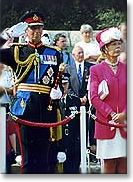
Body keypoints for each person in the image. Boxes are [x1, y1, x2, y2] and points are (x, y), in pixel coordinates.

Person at [0, 10, 63, 174]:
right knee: (27, 158)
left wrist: (58, 92)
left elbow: (58, 81)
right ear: (25, 31)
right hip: (24, 107)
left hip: (46, 107)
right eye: (32, 28)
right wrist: (6, 35)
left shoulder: (54, 52)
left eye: (39, 28)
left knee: (44, 156)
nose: (36, 32)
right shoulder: (16, 51)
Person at [89, 27, 127, 173]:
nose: (117, 47)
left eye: (118, 43)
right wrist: (111, 114)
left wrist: (124, 114)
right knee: (109, 165)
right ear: (104, 49)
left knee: (125, 165)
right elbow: (94, 98)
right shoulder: (95, 70)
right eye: (113, 44)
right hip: (106, 124)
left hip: (125, 124)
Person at [58, 73, 81, 173]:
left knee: (73, 168)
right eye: (61, 84)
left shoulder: (75, 101)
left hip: (73, 141)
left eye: (65, 84)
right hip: (58, 141)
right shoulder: (52, 101)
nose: (63, 87)